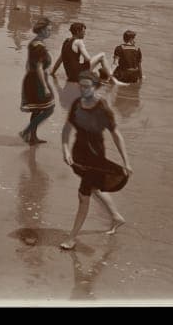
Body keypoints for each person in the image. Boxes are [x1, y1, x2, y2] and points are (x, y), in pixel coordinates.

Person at [59, 70, 132, 250]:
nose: (83, 89)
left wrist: (126, 161)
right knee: (94, 188)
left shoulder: (102, 108)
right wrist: (65, 149)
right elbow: (66, 129)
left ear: (95, 86)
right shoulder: (76, 104)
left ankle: (72, 238)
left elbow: (116, 135)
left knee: (83, 196)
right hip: (79, 157)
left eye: (86, 86)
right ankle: (116, 217)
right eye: (80, 86)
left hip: (95, 159)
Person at [50, 22, 112, 111]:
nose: (85, 33)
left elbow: (60, 60)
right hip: (79, 74)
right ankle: (111, 79)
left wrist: (52, 73)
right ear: (78, 31)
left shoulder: (66, 42)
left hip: (70, 75)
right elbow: (88, 58)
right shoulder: (79, 42)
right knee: (102, 55)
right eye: (83, 31)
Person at [19, 17, 55, 145]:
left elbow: (29, 64)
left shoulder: (33, 43)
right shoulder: (39, 47)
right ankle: (26, 132)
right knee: (49, 108)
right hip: (37, 80)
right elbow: (39, 67)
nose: (50, 32)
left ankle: (32, 137)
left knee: (37, 109)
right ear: (42, 30)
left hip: (31, 78)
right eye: (49, 30)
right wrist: (45, 86)